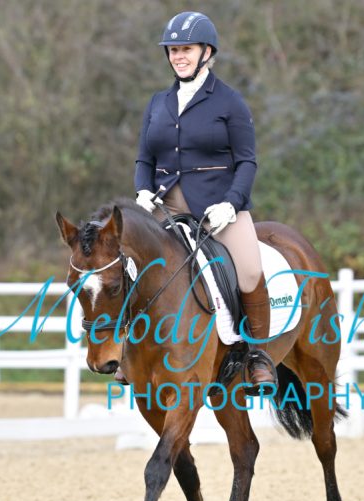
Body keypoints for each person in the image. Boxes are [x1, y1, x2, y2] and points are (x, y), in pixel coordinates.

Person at [134, 10, 274, 394]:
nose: (179, 56)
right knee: (133, 265)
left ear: (206, 52)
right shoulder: (158, 103)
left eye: (187, 49)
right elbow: (144, 159)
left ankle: (258, 356)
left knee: (249, 271)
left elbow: (247, 161)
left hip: (218, 207)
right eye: (173, 50)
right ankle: (132, 350)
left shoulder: (229, 102)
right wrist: (142, 189)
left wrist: (232, 203)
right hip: (166, 206)